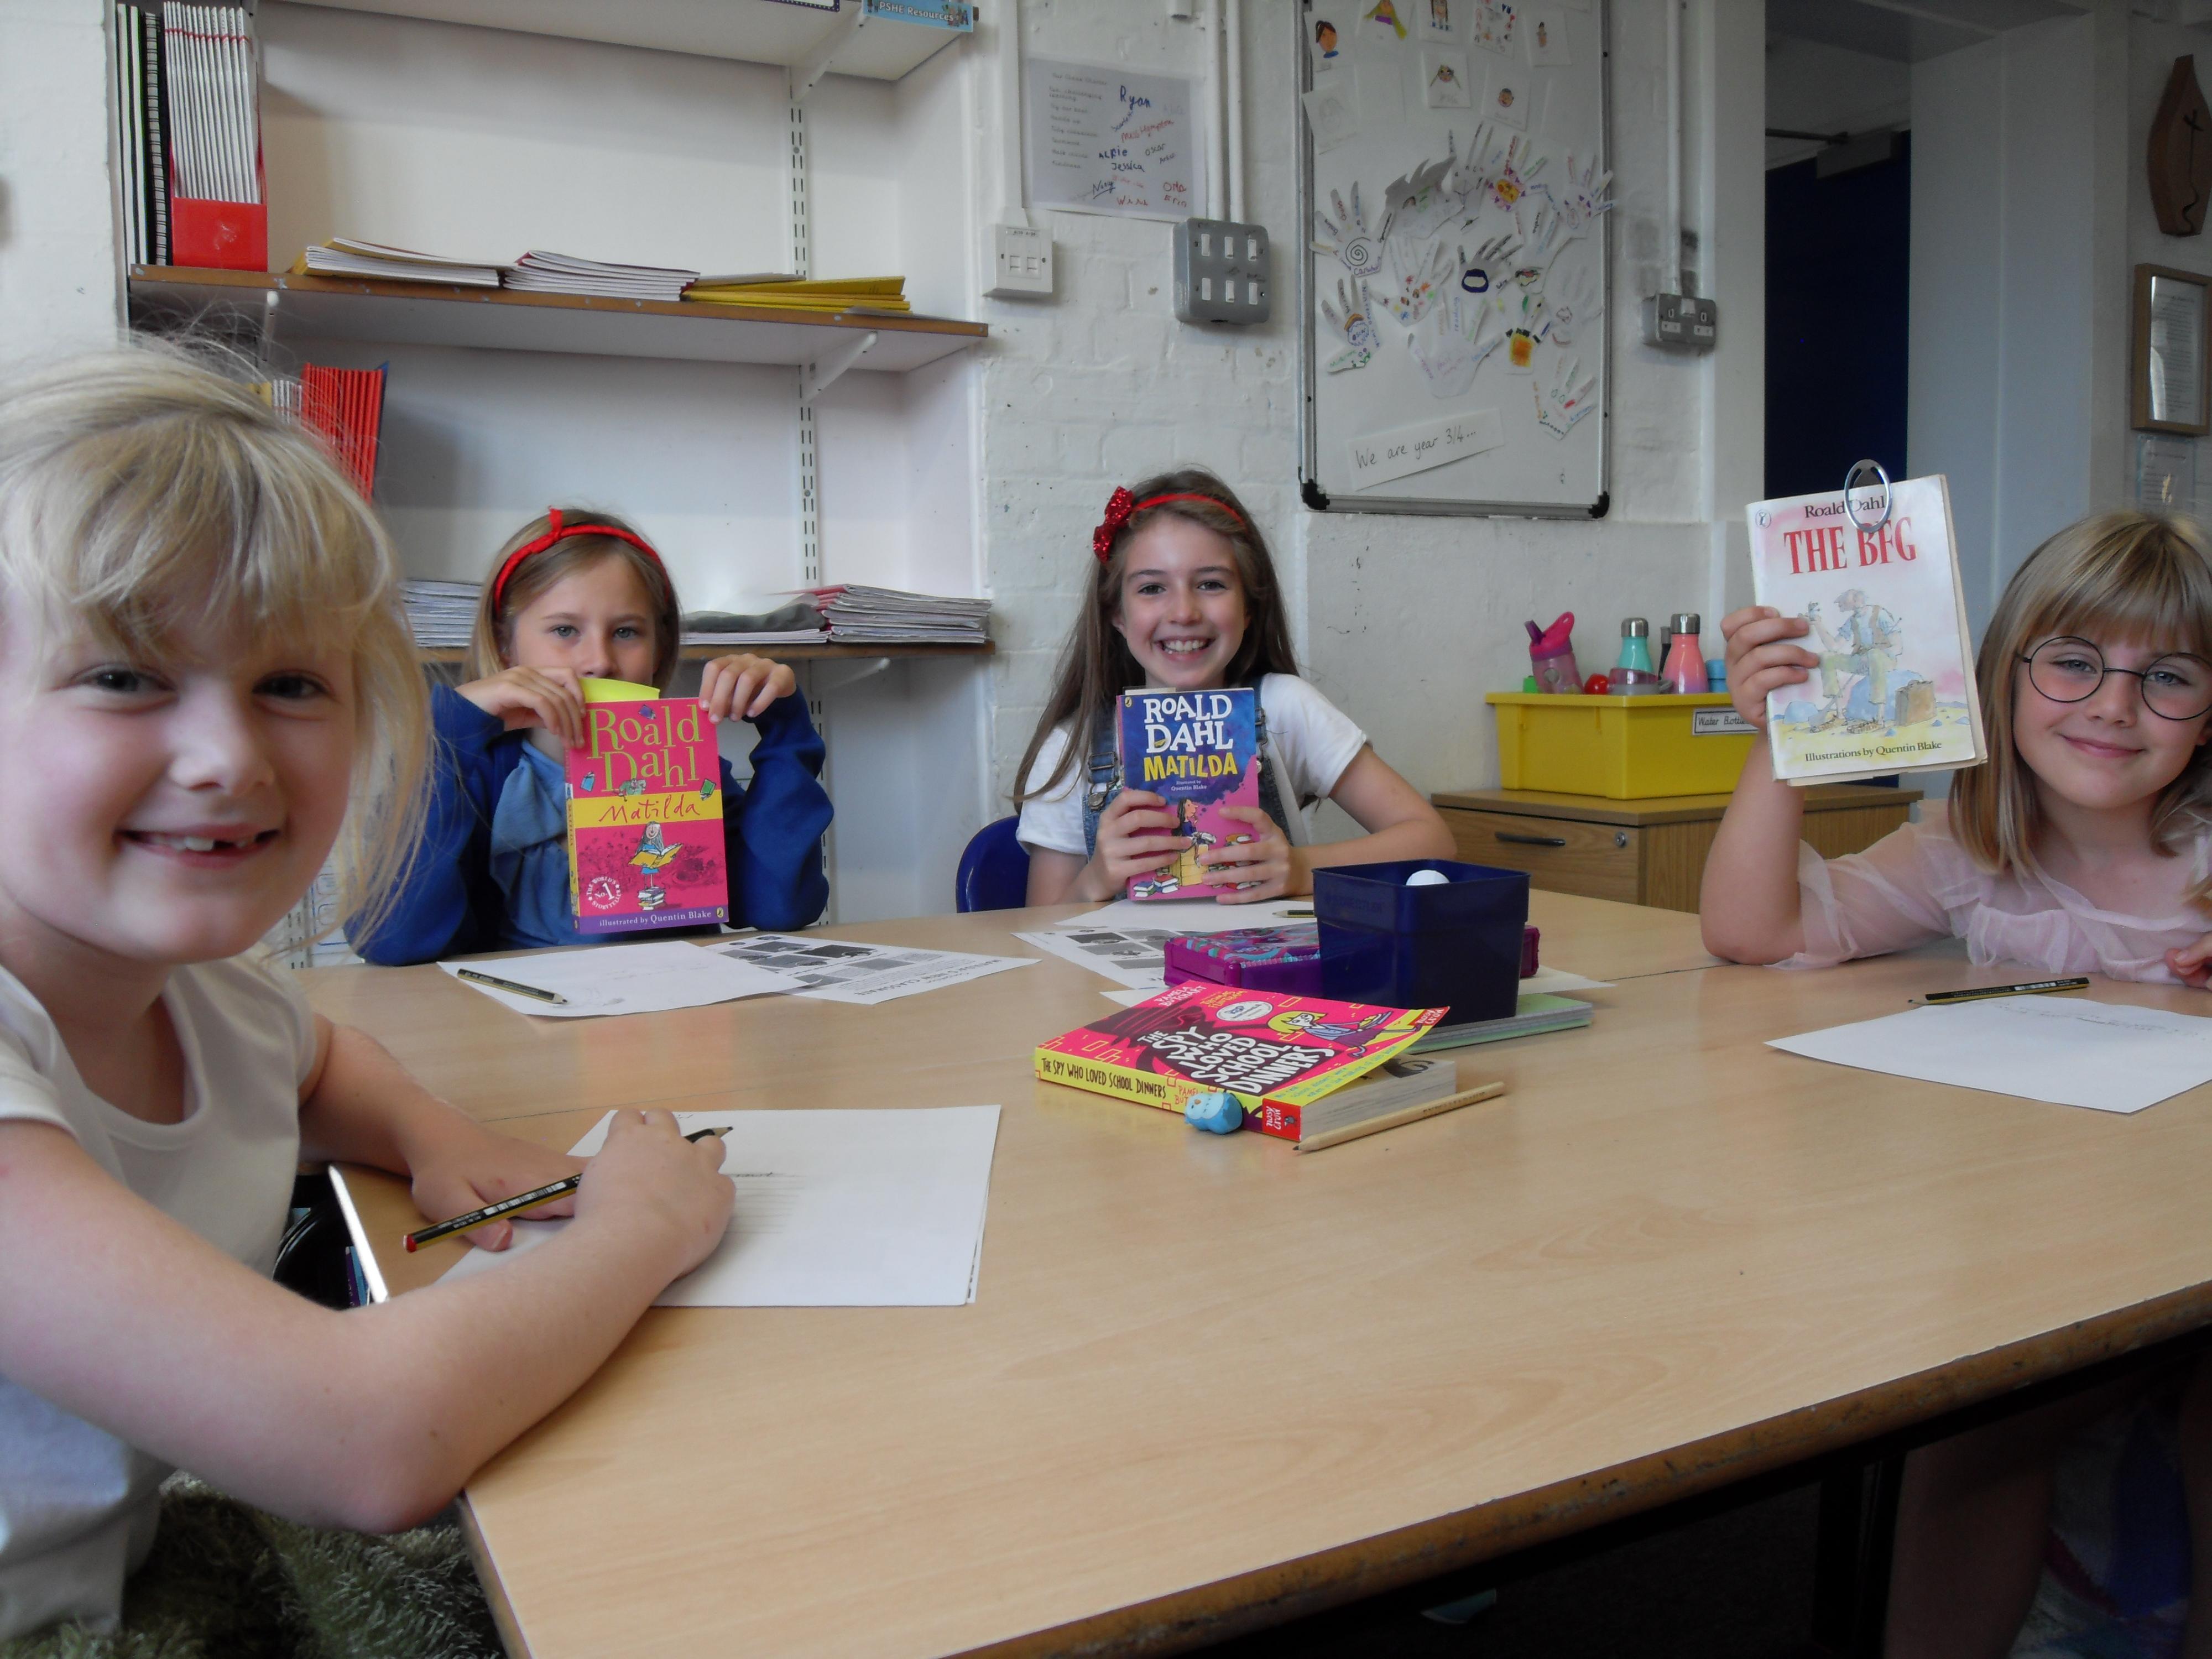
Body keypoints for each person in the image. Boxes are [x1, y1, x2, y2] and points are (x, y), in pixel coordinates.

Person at [0, 348, 737, 1642]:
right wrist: (639, 1228)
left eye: (290, 684)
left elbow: (319, 1059)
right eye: (124, 676)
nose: (227, 757)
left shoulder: (207, 995)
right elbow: (364, 1439)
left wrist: (432, 1135)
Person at [1700, 510, 2212, 1657]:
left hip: (2191, 1249)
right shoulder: (1964, 852)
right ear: (2000, 679)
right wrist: (1781, 739)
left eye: (2167, 677)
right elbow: (1751, 931)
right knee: (1974, 1418)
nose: (2113, 706)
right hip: (2033, 1259)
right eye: (2073, 662)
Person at [352, 507, 831, 963]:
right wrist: (447, 735)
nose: (599, 662)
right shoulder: (474, 775)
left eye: (626, 633)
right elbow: (394, 940)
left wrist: (782, 726)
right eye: (565, 630)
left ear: (660, 646)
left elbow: (780, 907)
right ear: (505, 643)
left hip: (676, 1012)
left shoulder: (688, 771)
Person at [1015, 468, 1453, 904]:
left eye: (1211, 584)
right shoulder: (1072, 750)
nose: (1184, 612)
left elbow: (1433, 840)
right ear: (1117, 614)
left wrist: (1302, 868)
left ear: (1248, 608)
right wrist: (1094, 881)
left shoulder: (1285, 708)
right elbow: (1034, 924)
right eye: (1152, 588)